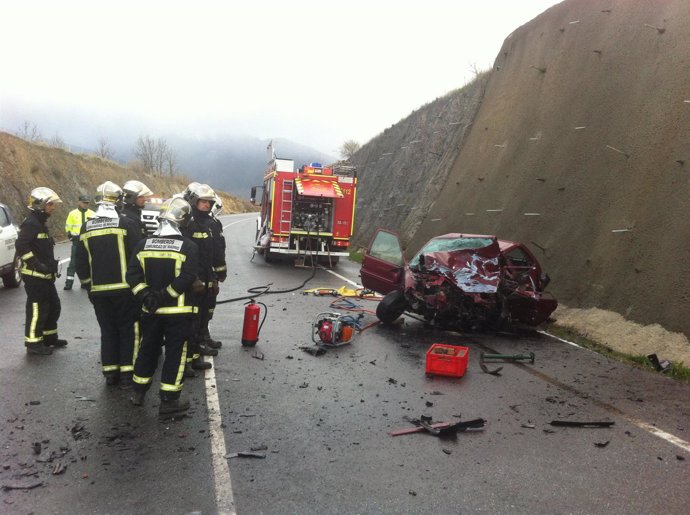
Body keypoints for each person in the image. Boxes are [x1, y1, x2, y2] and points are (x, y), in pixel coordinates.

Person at [126, 197, 200, 416]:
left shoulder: (143, 244)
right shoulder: (189, 246)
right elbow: (187, 278)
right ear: (183, 221)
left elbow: (132, 275)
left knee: (147, 349)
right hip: (178, 312)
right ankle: (169, 401)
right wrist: (164, 296)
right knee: (175, 354)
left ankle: (138, 393)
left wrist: (147, 297)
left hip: (150, 311)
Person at [75, 181, 143, 388]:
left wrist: (88, 286)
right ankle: (127, 374)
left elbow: (80, 262)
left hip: (99, 292)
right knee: (128, 330)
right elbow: (138, 255)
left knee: (108, 331)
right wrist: (140, 285)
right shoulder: (125, 225)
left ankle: (110, 373)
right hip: (124, 290)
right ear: (118, 202)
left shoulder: (86, 227)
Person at [15, 187, 67, 355]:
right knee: (37, 309)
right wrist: (36, 264)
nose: (53, 207)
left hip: (45, 275)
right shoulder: (31, 223)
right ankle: (33, 344)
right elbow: (21, 246)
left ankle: (49, 338)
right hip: (35, 276)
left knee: (53, 306)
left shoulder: (40, 223)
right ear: (40, 205)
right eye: (50, 204)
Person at [182, 183, 221, 374]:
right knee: (191, 321)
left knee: (203, 316)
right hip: (191, 280)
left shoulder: (210, 224)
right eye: (203, 201)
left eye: (209, 202)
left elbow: (213, 253)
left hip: (206, 277)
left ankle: (196, 354)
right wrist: (192, 279)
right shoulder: (187, 223)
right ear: (194, 201)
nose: (206, 205)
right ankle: (186, 362)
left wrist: (214, 276)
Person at [205, 194, 227, 349]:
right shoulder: (198, 224)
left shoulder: (213, 223)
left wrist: (219, 272)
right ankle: (200, 341)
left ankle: (204, 336)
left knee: (209, 305)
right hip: (202, 273)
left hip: (210, 273)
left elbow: (219, 250)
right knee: (201, 309)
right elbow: (216, 250)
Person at [63, 195, 95, 290]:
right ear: (79, 202)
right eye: (84, 202)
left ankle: (85, 282)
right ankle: (68, 283)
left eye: (87, 203)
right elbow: (68, 227)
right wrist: (71, 237)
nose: (86, 204)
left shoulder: (93, 214)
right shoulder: (72, 214)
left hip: (89, 242)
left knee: (88, 263)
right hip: (77, 241)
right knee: (73, 263)